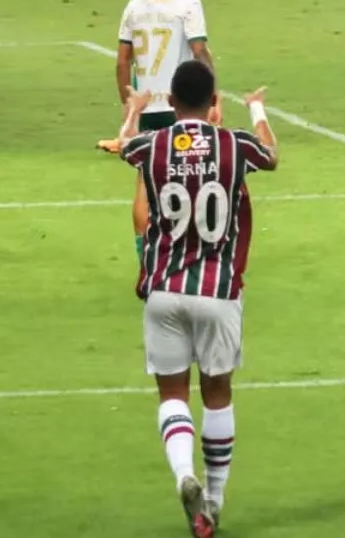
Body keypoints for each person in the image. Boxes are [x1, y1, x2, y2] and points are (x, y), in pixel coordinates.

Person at [117, 59, 277, 538]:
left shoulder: (153, 145)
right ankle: (215, 498)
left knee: (172, 394)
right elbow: (271, 155)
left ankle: (183, 472)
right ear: (213, 101)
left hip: (164, 289)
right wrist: (257, 110)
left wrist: (134, 110)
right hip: (219, 291)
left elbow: (125, 145)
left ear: (171, 99)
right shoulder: (235, 144)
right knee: (217, 392)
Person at [97, 0, 218, 263]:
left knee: (144, 186)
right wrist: (213, 94)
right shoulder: (188, 3)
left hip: (147, 108)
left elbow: (122, 61)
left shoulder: (134, 5)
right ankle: (192, 253)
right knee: (194, 179)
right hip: (183, 108)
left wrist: (129, 104)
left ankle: (145, 258)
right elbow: (199, 50)